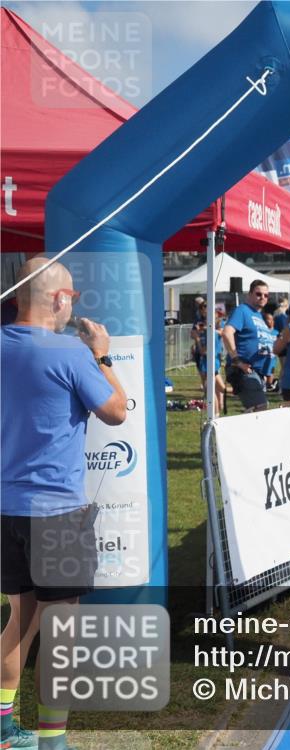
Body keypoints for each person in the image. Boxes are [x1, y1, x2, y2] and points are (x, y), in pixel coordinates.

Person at [1, 258, 128, 750]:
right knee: (59, 632)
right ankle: (53, 740)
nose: (71, 306)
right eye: (72, 298)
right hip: (57, 513)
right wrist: (102, 355)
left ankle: (5, 727)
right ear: (58, 299)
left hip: (7, 509)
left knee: (19, 619)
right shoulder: (69, 353)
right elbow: (116, 412)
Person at [221, 280, 272, 412]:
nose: (263, 297)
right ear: (249, 294)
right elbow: (227, 333)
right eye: (259, 294)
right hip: (244, 369)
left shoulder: (259, 315)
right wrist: (237, 360)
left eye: (266, 295)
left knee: (256, 411)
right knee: (259, 409)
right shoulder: (242, 310)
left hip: (257, 373)